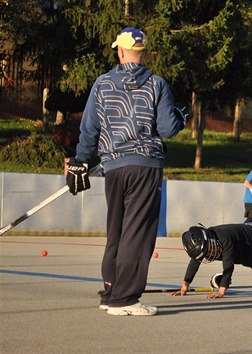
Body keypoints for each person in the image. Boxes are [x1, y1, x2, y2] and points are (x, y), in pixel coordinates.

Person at [66, 27, 186, 316]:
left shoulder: (103, 83)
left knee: (117, 230)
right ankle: (126, 300)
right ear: (142, 53)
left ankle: (111, 293)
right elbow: (169, 128)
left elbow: (89, 128)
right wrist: (181, 117)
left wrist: (80, 160)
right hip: (145, 165)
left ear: (119, 52)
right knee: (139, 232)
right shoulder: (157, 84)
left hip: (114, 166)